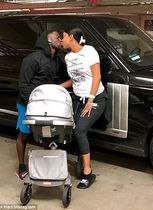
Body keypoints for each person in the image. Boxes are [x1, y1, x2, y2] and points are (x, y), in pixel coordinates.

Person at [16, 30, 67, 180]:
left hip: (45, 104)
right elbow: (23, 85)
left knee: (46, 133)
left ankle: (44, 166)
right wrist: (32, 104)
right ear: (48, 40)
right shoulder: (32, 59)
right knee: (24, 134)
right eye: (57, 37)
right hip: (27, 103)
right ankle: (21, 166)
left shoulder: (57, 59)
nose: (60, 39)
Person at [60, 28, 107, 189]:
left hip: (96, 99)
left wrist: (90, 101)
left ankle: (88, 173)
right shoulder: (68, 57)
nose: (61, 40)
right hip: (78, 100)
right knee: (74, 131)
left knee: (79, 130)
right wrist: (57, 87)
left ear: (71, 37)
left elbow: (97, 76)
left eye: (63, 37)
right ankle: (82, 163)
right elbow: (75, 80)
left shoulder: (89, 51)